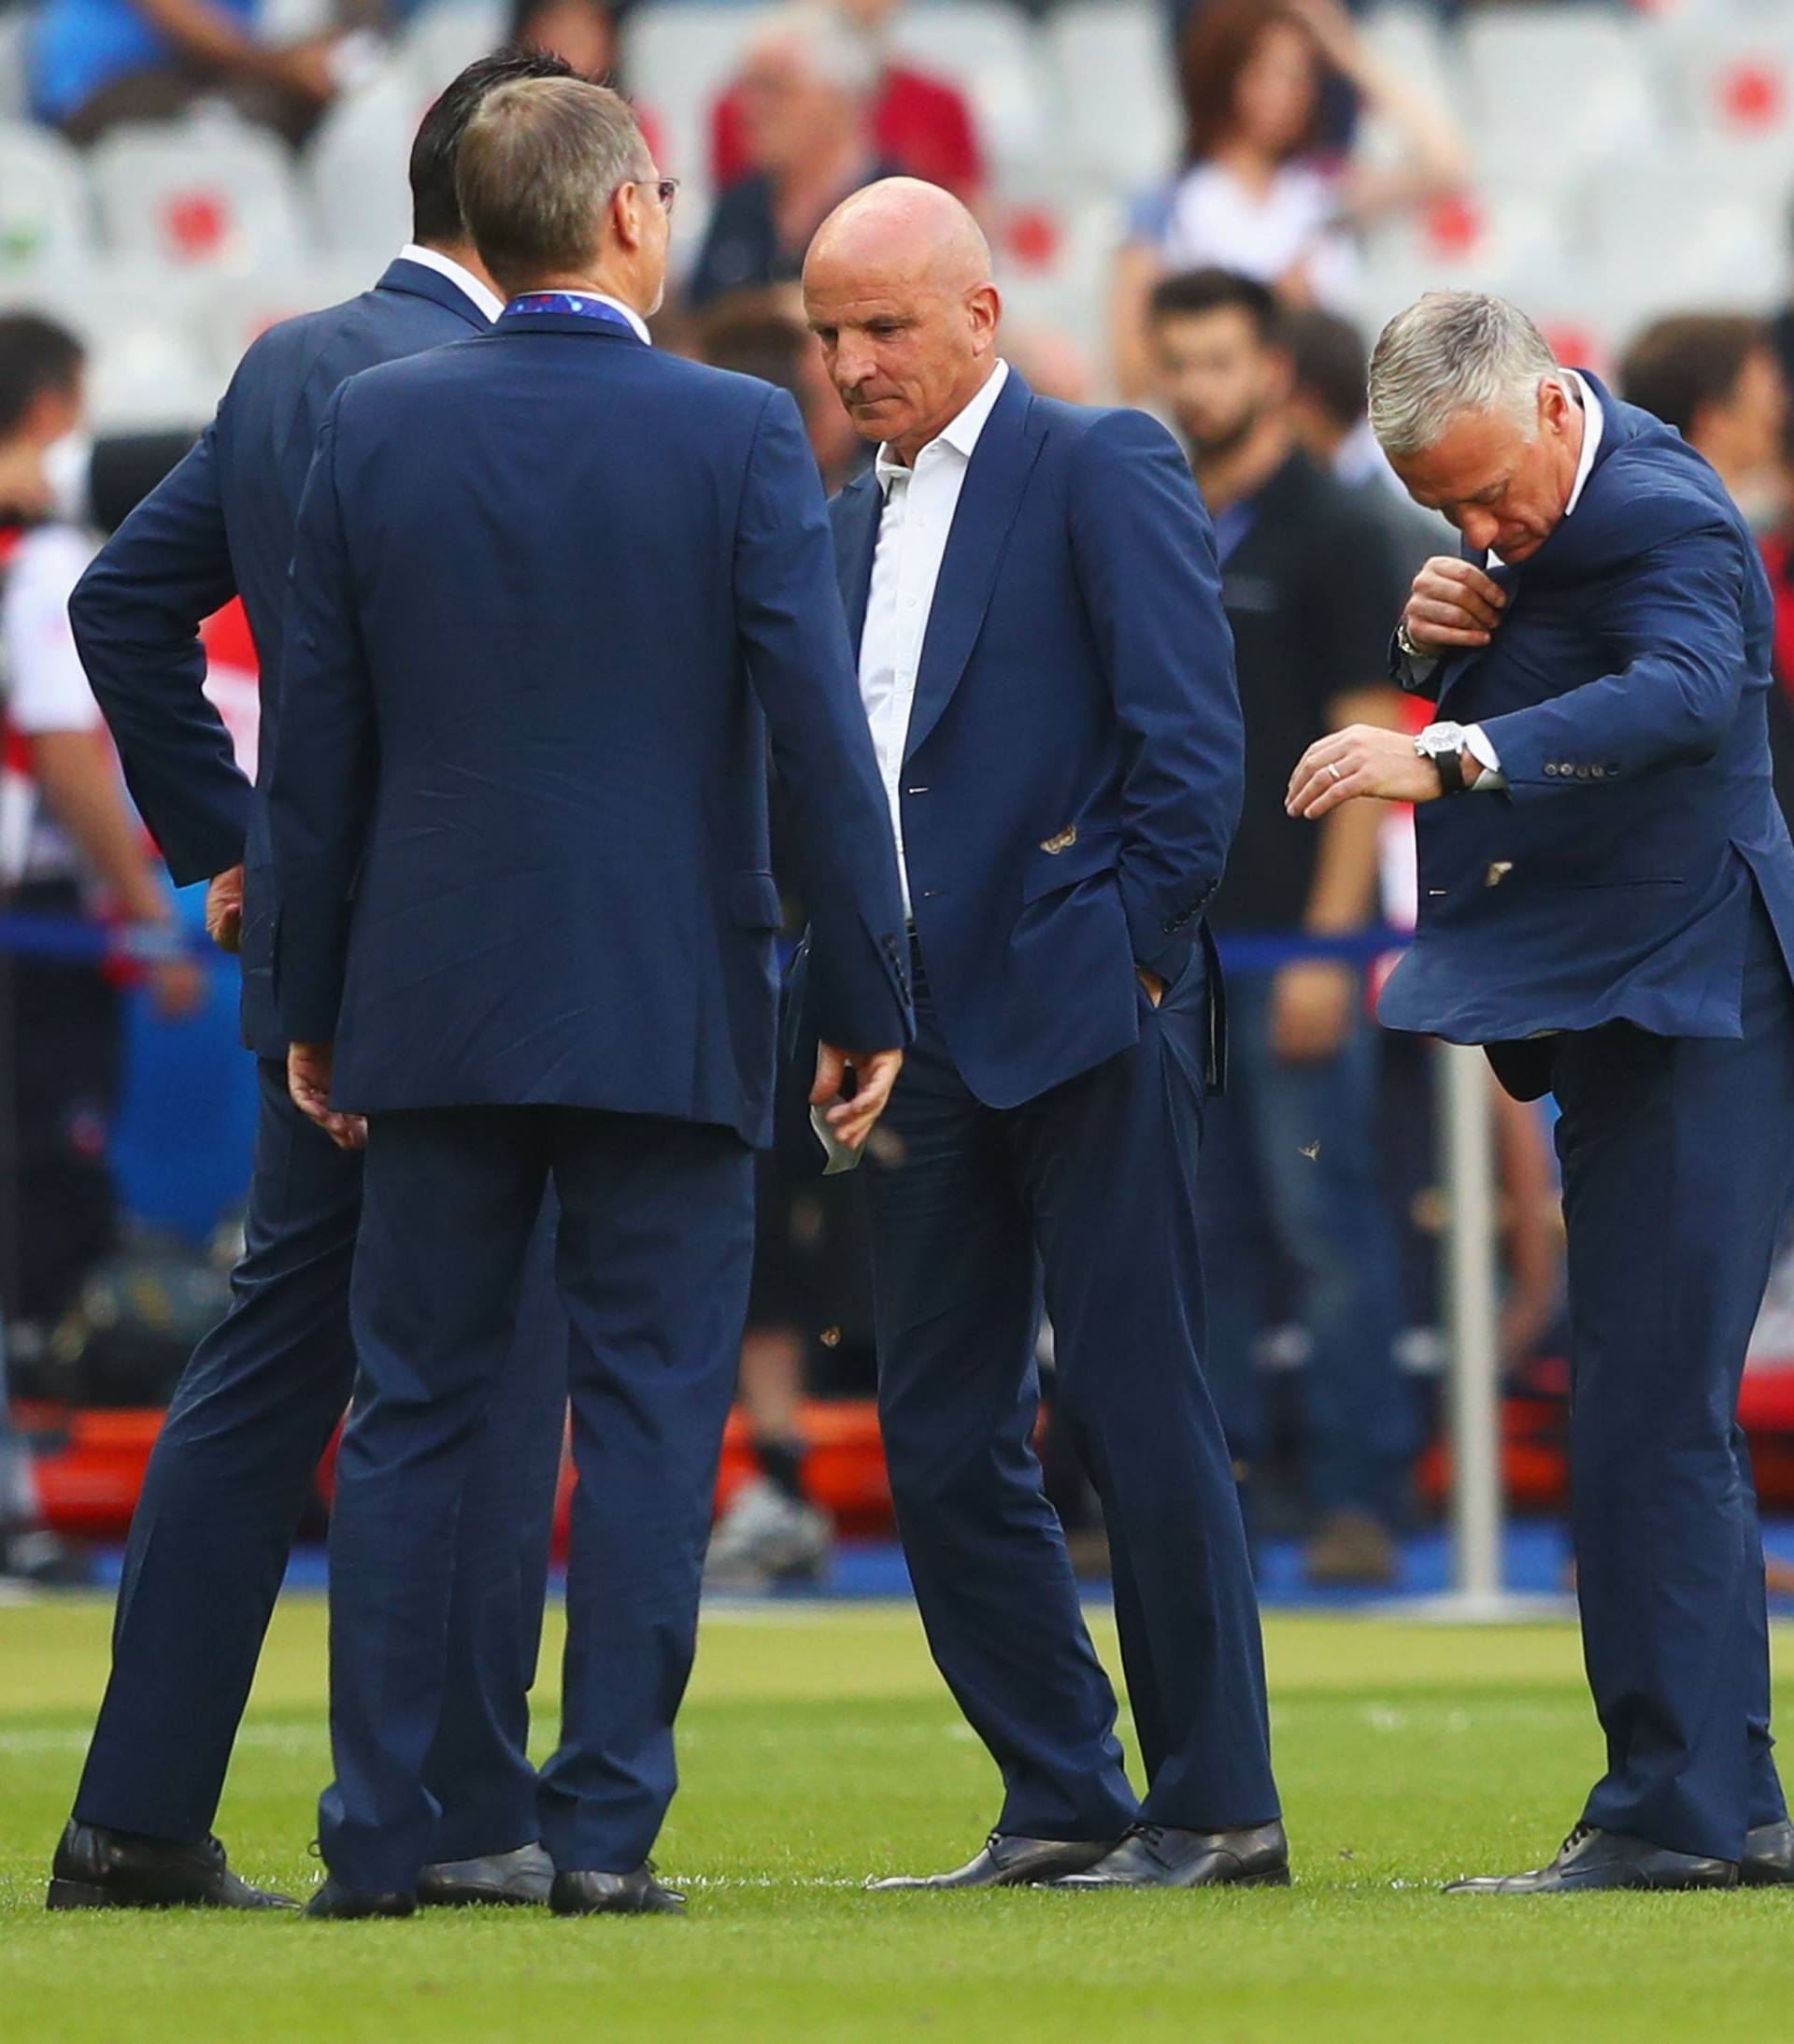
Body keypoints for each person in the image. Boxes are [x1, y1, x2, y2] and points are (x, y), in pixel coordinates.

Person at [268, 76, 908, 1919]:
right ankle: (604, 1834)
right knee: (646, 1418)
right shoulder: (729, 433)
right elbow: (816, 735)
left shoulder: (374, 424)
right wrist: (864, 985)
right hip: (666, 997)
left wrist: (312, 995)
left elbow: (319, 753)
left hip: (435, 997)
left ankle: (381, 1836)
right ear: (634, 214)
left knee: (409, 1413)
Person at [52, 52, 580, 1916]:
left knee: (274, 1358)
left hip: (322, 946)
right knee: (482, 1370)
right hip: (475, 967)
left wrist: (228, 853)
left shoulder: (294, 358)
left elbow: (123, 601)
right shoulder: (513, 385)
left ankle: (135, 1814)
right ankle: (464, 1812)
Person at [803, 179, 1284, 1893]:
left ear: (983, 316)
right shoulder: (840, 521)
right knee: (937, 1433)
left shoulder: (1103, 463)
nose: (854, 361)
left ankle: (1220, 1804)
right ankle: (1063, 1795)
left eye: (885, 325)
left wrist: (1135, 964)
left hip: (1086, 1012)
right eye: (831, 331)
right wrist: (842, 993)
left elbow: (1190, 747)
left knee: (1138, 1407)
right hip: (913, 1035)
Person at [1288, 290, 1794, 1894]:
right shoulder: (1539, 500)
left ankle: (1673, 1808)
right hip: (1632, 997)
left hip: (1698, 997)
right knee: (1653, 1409)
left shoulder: (1657, 506)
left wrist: (1443, 751)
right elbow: (1544, 641)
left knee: (1651, 1411)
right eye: (1445, 509)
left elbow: (1688, 691)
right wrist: (1426, 640)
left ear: (1556, 410)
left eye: (1492, 494)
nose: (1482, 525)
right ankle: (1726, 1800)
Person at [1146, 268, 1415, 1584]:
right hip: (1177, 940)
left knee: (1327, 1223)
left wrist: (1327, 940)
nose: (1196, 385)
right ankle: (1215, 1498)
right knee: (1195, 1229)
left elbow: (1369, 742)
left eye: (1217, 360)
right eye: (1175, 360)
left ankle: (1362, 1491)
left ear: (1271, 369)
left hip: (1292, 939)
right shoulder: (1148, 510)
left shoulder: (1337, 524)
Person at [1110, 0, 1462, 401]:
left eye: (1298, 78)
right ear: (1225, 72)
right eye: (1262, 72)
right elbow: (1132, 372)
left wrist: (1346, 49)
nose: (1281, 95)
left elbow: (1445, 163)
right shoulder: (1167, 203)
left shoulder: (1322, 190)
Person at [688, 6, 893, 313]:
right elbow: (697, 327)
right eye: (748, 87)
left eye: (774, 87)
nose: (749, 107)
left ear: (842, 99)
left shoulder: (898, 208)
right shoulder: (738, 206)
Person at [710, 0, 982, 206]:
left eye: (776, 90)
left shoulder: (938, 102)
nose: (755, 105)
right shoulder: (735, 110)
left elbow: (968, 217)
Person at [26, 0, 350, 147]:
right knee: (216, 123)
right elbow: (186, 24)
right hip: (100, 89)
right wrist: (285, 68)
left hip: (203, 82)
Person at [1619, 314, 1789, 534]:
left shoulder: (1636, 518)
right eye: (1770, 398)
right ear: (1713, 422)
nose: (1781, 409)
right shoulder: (1712, 541)